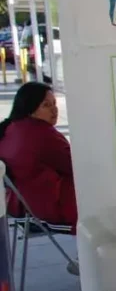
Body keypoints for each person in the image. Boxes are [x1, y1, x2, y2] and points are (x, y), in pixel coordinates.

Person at [0, 83, 77, 228]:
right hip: (46, 207)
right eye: (46, 105)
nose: (54, 110)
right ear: (31, 109)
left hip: (17, 206)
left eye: (54, 103)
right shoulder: (42, 134)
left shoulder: (10, 128)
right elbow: (75, 166)